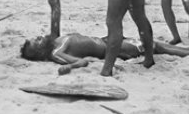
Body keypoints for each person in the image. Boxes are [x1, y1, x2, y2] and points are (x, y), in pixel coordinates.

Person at [21, 33, 189, 75]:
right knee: (156, 46)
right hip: (113, 48)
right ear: (39, 51)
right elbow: (82, 62)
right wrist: (70, 67)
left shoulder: (56, 40)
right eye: (36, 42)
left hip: (108, 39)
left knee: (155, 45)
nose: (38, 37)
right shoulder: (56, 52)